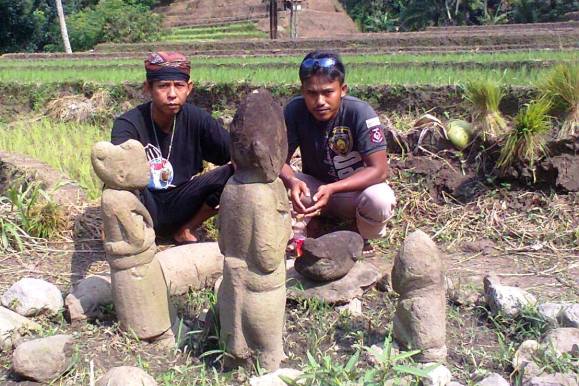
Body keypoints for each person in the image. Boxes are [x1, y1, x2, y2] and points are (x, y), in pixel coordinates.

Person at [280, 50, 396, 255]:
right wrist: (292, 181)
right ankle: (299, 232)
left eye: (327, 92)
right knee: (272, 181)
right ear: (302, 91)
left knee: (380, 199)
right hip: (313, 191)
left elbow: (379, 170)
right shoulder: (294, 111)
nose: (320, 101)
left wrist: (333, 188)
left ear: (342, 90)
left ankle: (361, 236)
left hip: (351, 193)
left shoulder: (359, 112)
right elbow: (278, 160)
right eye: (312, 93)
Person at [111, 51, 232, 244]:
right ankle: (131, 234)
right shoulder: (128, 123)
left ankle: (187, 229)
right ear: (148, 88)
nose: (172, 94)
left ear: (189, 88)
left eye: (179, 86)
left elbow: (235, 152)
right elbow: (117, 171)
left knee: (238, 169)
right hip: (145, 201)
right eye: (163, 86)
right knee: (113, 180)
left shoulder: (197, 118)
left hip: (183, 200)